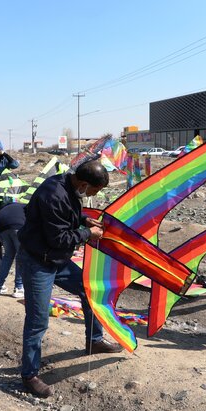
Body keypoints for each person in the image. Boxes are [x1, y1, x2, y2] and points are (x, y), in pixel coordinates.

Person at [16, 160, 123, 398]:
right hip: (38, 262)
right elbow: (60, 239)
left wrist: (83, 219)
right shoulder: (53, 193)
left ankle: (94, 340)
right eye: (95, 190)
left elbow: (67, 215)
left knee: (89, 289)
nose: (95, 195)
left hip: (55, 258)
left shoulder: (69, 186)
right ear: (84, 184)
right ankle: (29, 375)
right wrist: (88, 233)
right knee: (38, 319)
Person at [0, 202, 26, 298]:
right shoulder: (25, 207)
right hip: (18, 227)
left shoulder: (5, 210)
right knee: (21, 256)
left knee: (8, 256)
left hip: (0, 230)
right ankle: (18, 288)